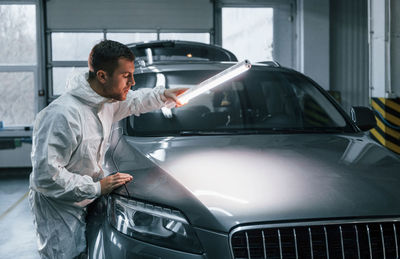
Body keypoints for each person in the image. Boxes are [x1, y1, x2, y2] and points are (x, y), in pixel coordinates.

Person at [28, 40, 186, 259]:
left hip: (85, 198)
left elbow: (135, 100)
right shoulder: (62, 115)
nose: (132, 81)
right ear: (102, 76)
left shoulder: (106, 102)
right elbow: (46, 177)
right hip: (59, 209)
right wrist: (96, 188)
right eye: (126, 76)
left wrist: (163, 95)